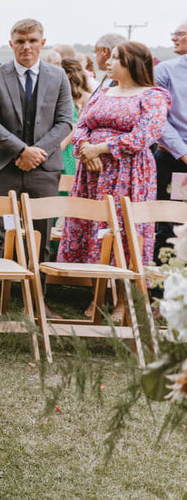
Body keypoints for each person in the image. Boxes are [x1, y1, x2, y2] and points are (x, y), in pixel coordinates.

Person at [58, 42, 170, 318]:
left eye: (116, 58)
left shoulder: (154, 96)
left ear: (133, 62)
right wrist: (85, 150)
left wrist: (101, 148)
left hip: (127, 174)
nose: (108, 62)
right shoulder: (103, 92)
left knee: (122, 230)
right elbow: (82, 125)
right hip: (92, 174)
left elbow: (145, 135)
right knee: (93, 230)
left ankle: (123, 300)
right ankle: (98, 295)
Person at [0, 19, 73, 316]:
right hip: (2, 164)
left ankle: (37, 297)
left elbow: (65, 121)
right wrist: (21, 150)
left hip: (43, 168)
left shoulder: (58, 76)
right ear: (11, 44)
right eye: (20, 41)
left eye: (32, 40)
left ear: (42, 41)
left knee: (40, 232)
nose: (26, 46)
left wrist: (37, 153)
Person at [154, 20, 187, 255]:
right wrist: (184, 153)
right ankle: (165, 288)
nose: (173, 38)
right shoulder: (165, 71)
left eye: (180, 34)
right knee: (173, 225)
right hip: (176, 162)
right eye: (173, 33)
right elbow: (159, 118)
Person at [59, 57, 92, 177]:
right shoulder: (59, 95)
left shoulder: (86, 98)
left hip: (75, 147)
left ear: (67, 75)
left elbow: (81, 126)